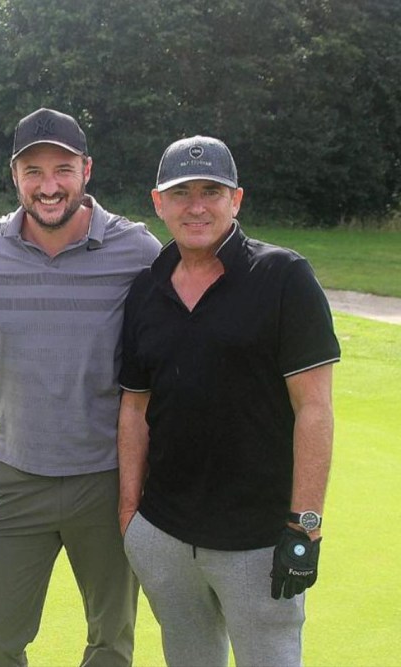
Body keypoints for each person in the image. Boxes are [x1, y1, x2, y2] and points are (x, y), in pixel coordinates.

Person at [117, 136, 340, 667]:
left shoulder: (284, 277)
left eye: (211, 191)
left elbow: (315, 409)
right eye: (182, 192)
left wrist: (304, 527)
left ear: (235, 200)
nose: (196, 205)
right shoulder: (146, 290)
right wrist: (130, 515)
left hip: (259, 544)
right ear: (159, 203)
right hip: (164, 537)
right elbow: (135, 407)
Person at [0, 108, 162, 667]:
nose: (48, 186)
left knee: (111, 642)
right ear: (14, 175)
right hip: (19, 478)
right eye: (33, 171)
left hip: (109, 479)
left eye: (63, 169)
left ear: (86, 170)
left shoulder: (136, 250)